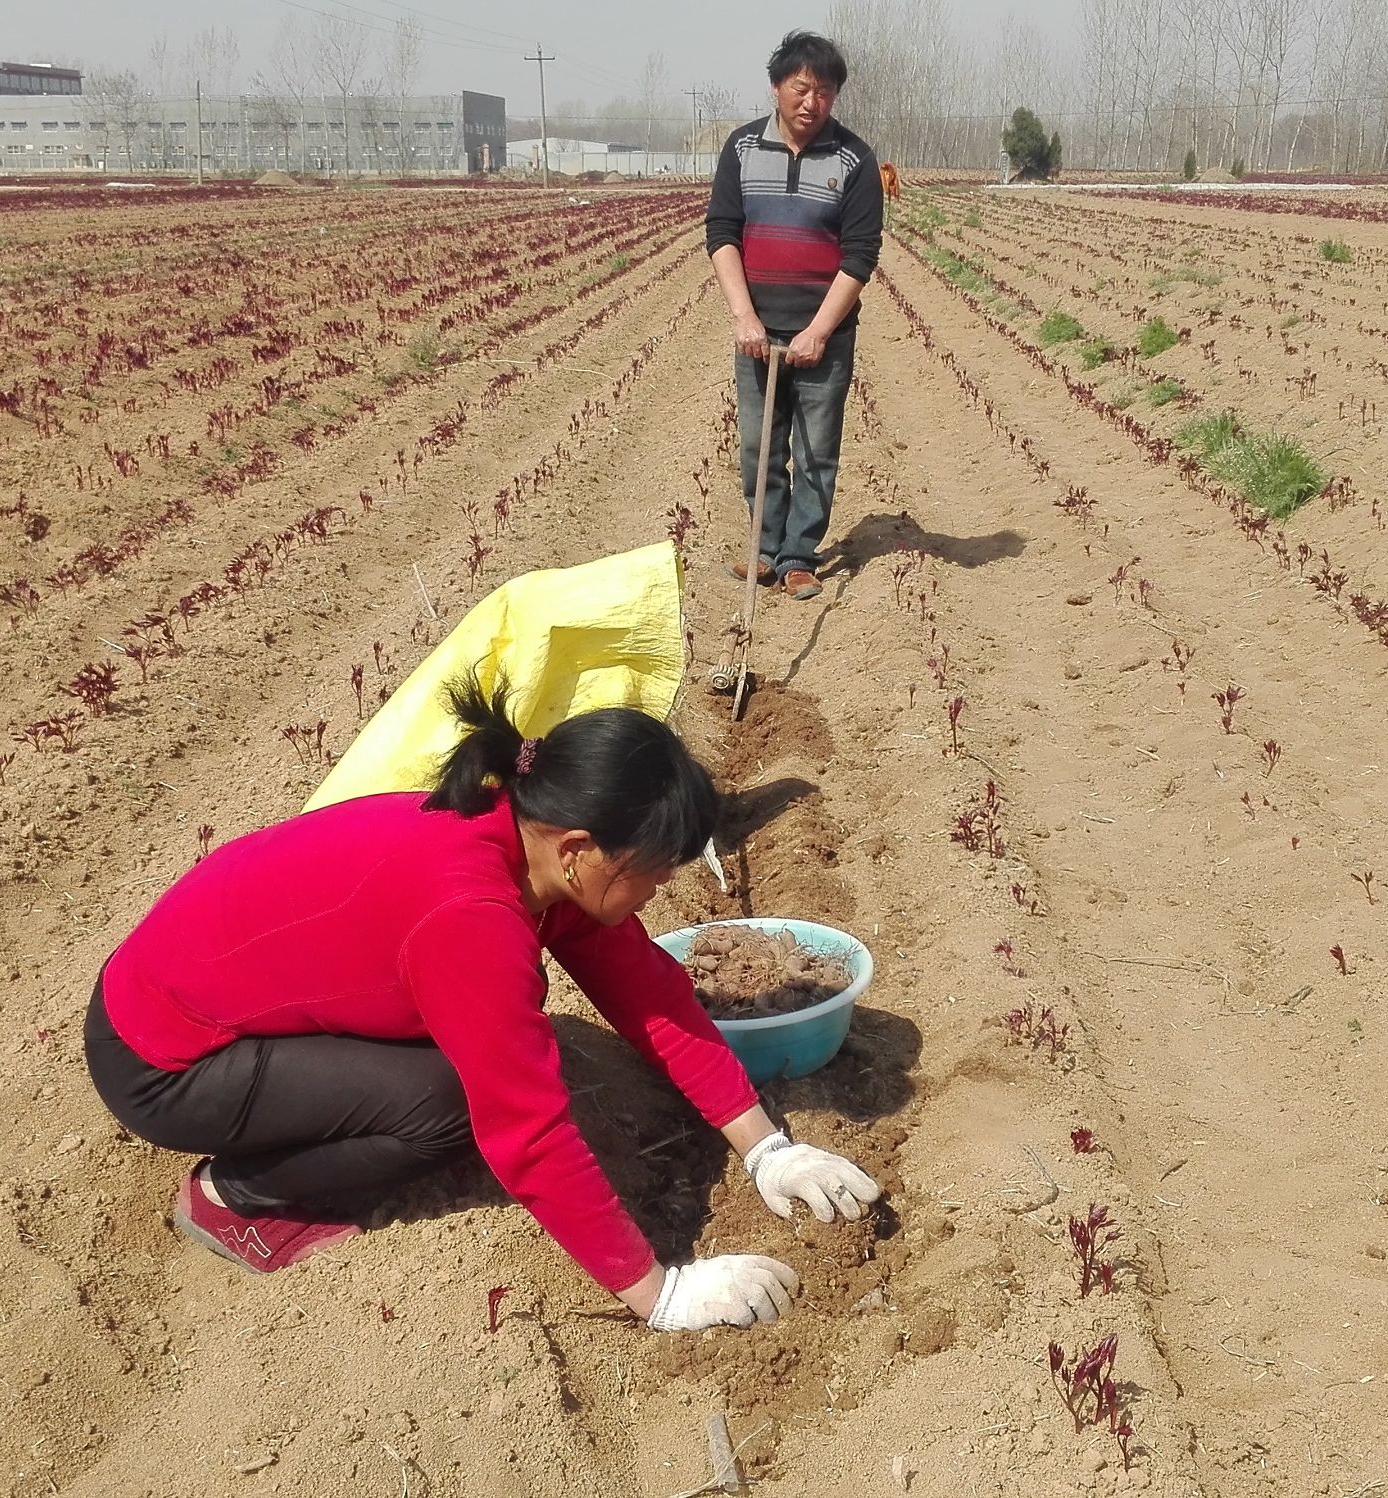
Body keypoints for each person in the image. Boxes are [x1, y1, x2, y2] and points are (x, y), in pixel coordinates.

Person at [84, 679, 883, 1331]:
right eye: (653, 871)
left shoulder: (525, 839)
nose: (660, 889)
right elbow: (526, 1131)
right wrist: (659, 1294)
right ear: (579, 850)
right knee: (449, 1105)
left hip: (192, 997)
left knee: (484, 1056)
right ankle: (235, 1198)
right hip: (161, 1059)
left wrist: (767, 1148)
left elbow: (644, 986)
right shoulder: (470, 917)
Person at [704, 30, 884, 603]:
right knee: (759, 446)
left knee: (815, 451)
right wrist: (743, 317)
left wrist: (818, 332)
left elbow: (860, 256)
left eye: (824, 92)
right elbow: (722, 234)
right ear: (777, 87)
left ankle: (799, 554)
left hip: (823, 337)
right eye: (801, 89)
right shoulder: (740, 149)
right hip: (757, 332)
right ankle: (763, 547)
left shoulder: (854, 159)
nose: (812, 102)